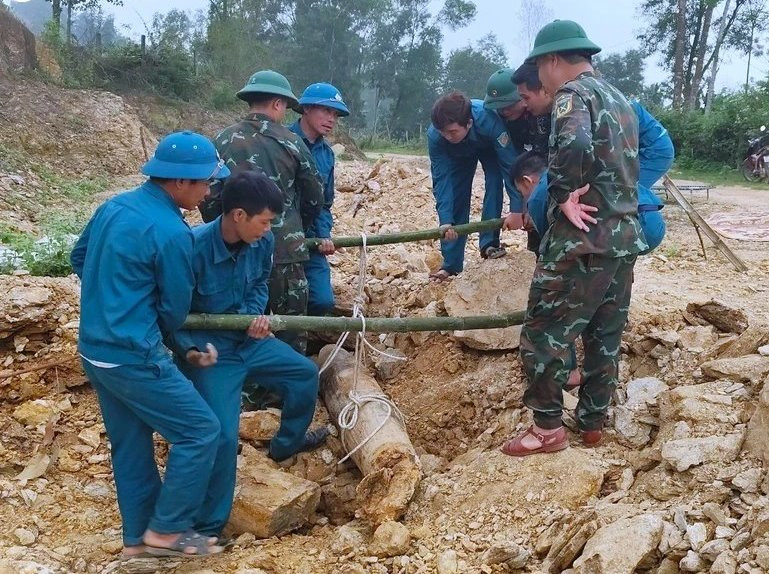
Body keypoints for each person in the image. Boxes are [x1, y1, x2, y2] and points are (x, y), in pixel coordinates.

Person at [70, 131, 229, 558]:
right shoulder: (173, 233)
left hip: (95, 350)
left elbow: (79, 257)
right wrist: (178, 341)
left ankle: (137, 540)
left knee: (131, 443)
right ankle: (169, 530)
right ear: (179, 182)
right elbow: (174, 308)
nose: (209, 190)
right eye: (205, 182)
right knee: (200, 431)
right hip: (133, 356)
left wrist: (112, 298)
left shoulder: (113, 207)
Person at [501, 20, 647, 456]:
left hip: (582, 241)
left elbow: (575, 141)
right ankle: (592, 423)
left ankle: (547, 430)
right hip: (623, 238)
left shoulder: (573, 94)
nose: (540, 79)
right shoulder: (620, 98)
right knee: (604, 335)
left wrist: (562, 192)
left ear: (551, 60)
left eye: (539, 68)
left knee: (544, 332)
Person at [171, 171, 327, 537]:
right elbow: (172, 310)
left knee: (304, 374)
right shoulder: (191, 248)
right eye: (264, 221)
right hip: (213, 352)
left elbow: (258, 285)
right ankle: (209, 527)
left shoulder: (263, 241)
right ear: (238, 215)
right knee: (222, 436)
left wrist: (255, 316)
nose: (267, 228)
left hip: (251, 343)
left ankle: (285, 446)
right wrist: (190, 349)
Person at [207, 69, 324, 354]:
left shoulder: (221, 140)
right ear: (277, 104)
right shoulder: (292, 142)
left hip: (234, 252)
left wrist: (226, 235)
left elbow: (208, 198)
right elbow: (314, 196)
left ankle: (247, 388)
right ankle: (286, 384)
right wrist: (294, 227)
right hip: (285, 251)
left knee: (241, 319)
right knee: (290, 324)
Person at [512, 60, 673, 253]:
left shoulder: (576, 100)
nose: (523, 104)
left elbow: (577, 148)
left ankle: (628, 237)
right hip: (626, 151)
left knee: (612, 194)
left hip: (652, 150)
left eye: (526, 97)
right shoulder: (563, 106)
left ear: (544, 89)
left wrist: (560, 195)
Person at [427, 90, 523, 281]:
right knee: (457, 194)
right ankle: (451, 265)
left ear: (468, 123)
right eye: (442, 132)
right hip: (458, 153)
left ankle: (489, 244)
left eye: (452, 131)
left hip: (488, 147)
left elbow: (510, 165)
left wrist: (518, 208)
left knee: (495, 182)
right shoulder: (436, 136)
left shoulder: (489, 120)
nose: (446, 136)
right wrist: (446, 221)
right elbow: (441, 179)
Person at [289, 82, 350, 315]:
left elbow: (325, 203)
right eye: (326, 110)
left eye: (335, 114)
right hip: (277, 239)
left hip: (311, 239)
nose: (331, 119)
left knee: (322, 301)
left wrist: (324, 235)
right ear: (306, 109)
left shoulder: (326, 155)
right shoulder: (282, 141)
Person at [483, 68, 529, 153]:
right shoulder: (499, 120)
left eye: (509, 106)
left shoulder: (540, 113)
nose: (504, 112)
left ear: (523, 98)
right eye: (499, 107)